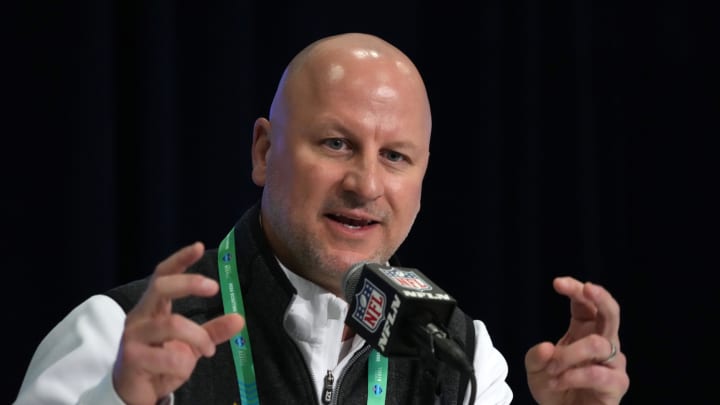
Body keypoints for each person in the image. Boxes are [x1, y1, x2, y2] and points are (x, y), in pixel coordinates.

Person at [14, 32, 629, 405]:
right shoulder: (115, 337)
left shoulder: (466, 360)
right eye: (336, 144)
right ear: (263, 151)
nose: (365, 184)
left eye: (394, 156)